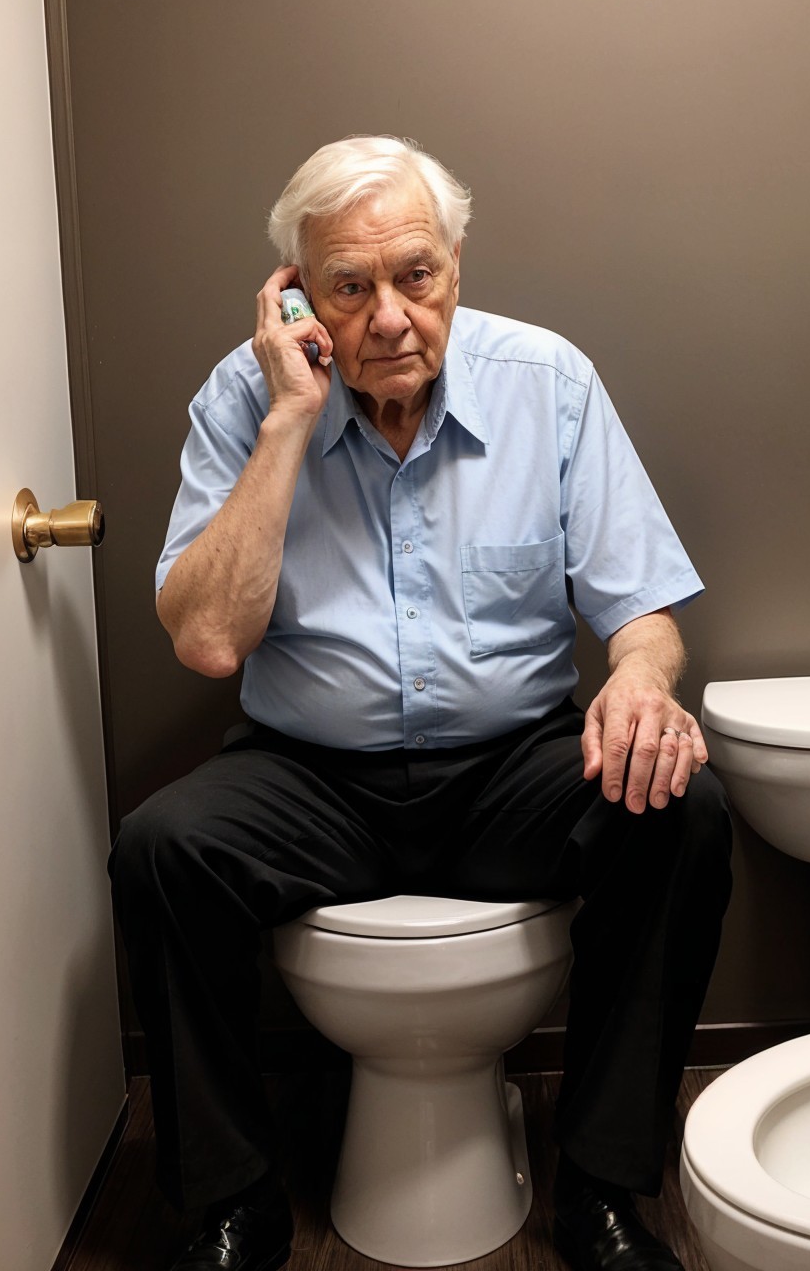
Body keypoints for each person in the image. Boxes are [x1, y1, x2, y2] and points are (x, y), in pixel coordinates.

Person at [110, 135, 732, 1271]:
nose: (390, 316)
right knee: (161, 849)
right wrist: (288, 423)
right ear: (296, 296)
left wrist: (641, 685)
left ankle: (601, 1191)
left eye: (417, 275)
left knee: (683, 812)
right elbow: (206, 641)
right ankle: (231, 1203)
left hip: (512, 770)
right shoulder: (243, 402)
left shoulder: (550, 384)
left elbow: (645, 614)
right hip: (311, 777)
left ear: (455, 267)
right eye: (350, 287)